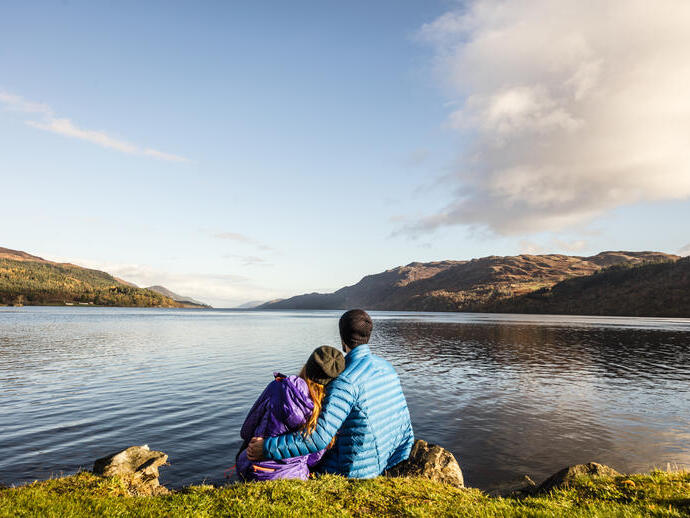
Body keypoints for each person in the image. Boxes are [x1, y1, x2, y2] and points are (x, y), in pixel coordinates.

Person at [247, 309, 414, 479]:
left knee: (311, 461)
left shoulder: (345, 381)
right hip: (395, 453)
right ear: (368, 335)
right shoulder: (387, 367)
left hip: (362, 468)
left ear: (342, 339)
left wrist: (266, 448)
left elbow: (319, 437)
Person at [236, 345, 345, 481]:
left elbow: (246, 431)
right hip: (295, 475)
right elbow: (314, 458)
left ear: (306, 366)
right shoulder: (327, 408)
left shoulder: (277, 387)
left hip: (257, 469)